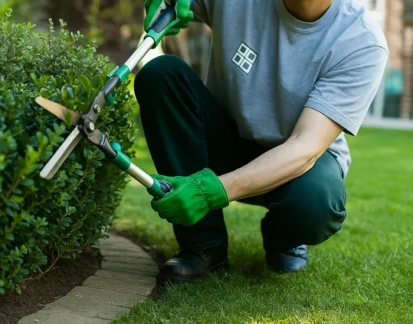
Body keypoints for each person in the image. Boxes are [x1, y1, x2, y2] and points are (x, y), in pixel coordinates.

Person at [137, 0, 388, 286]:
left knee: (316, 203)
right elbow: (175, 3)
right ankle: (203, 245)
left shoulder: (361, 42)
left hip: (298, 165)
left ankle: (283, 236)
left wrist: (214, 190)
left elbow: (304, 147)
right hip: (226, 139)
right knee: (161, 74)